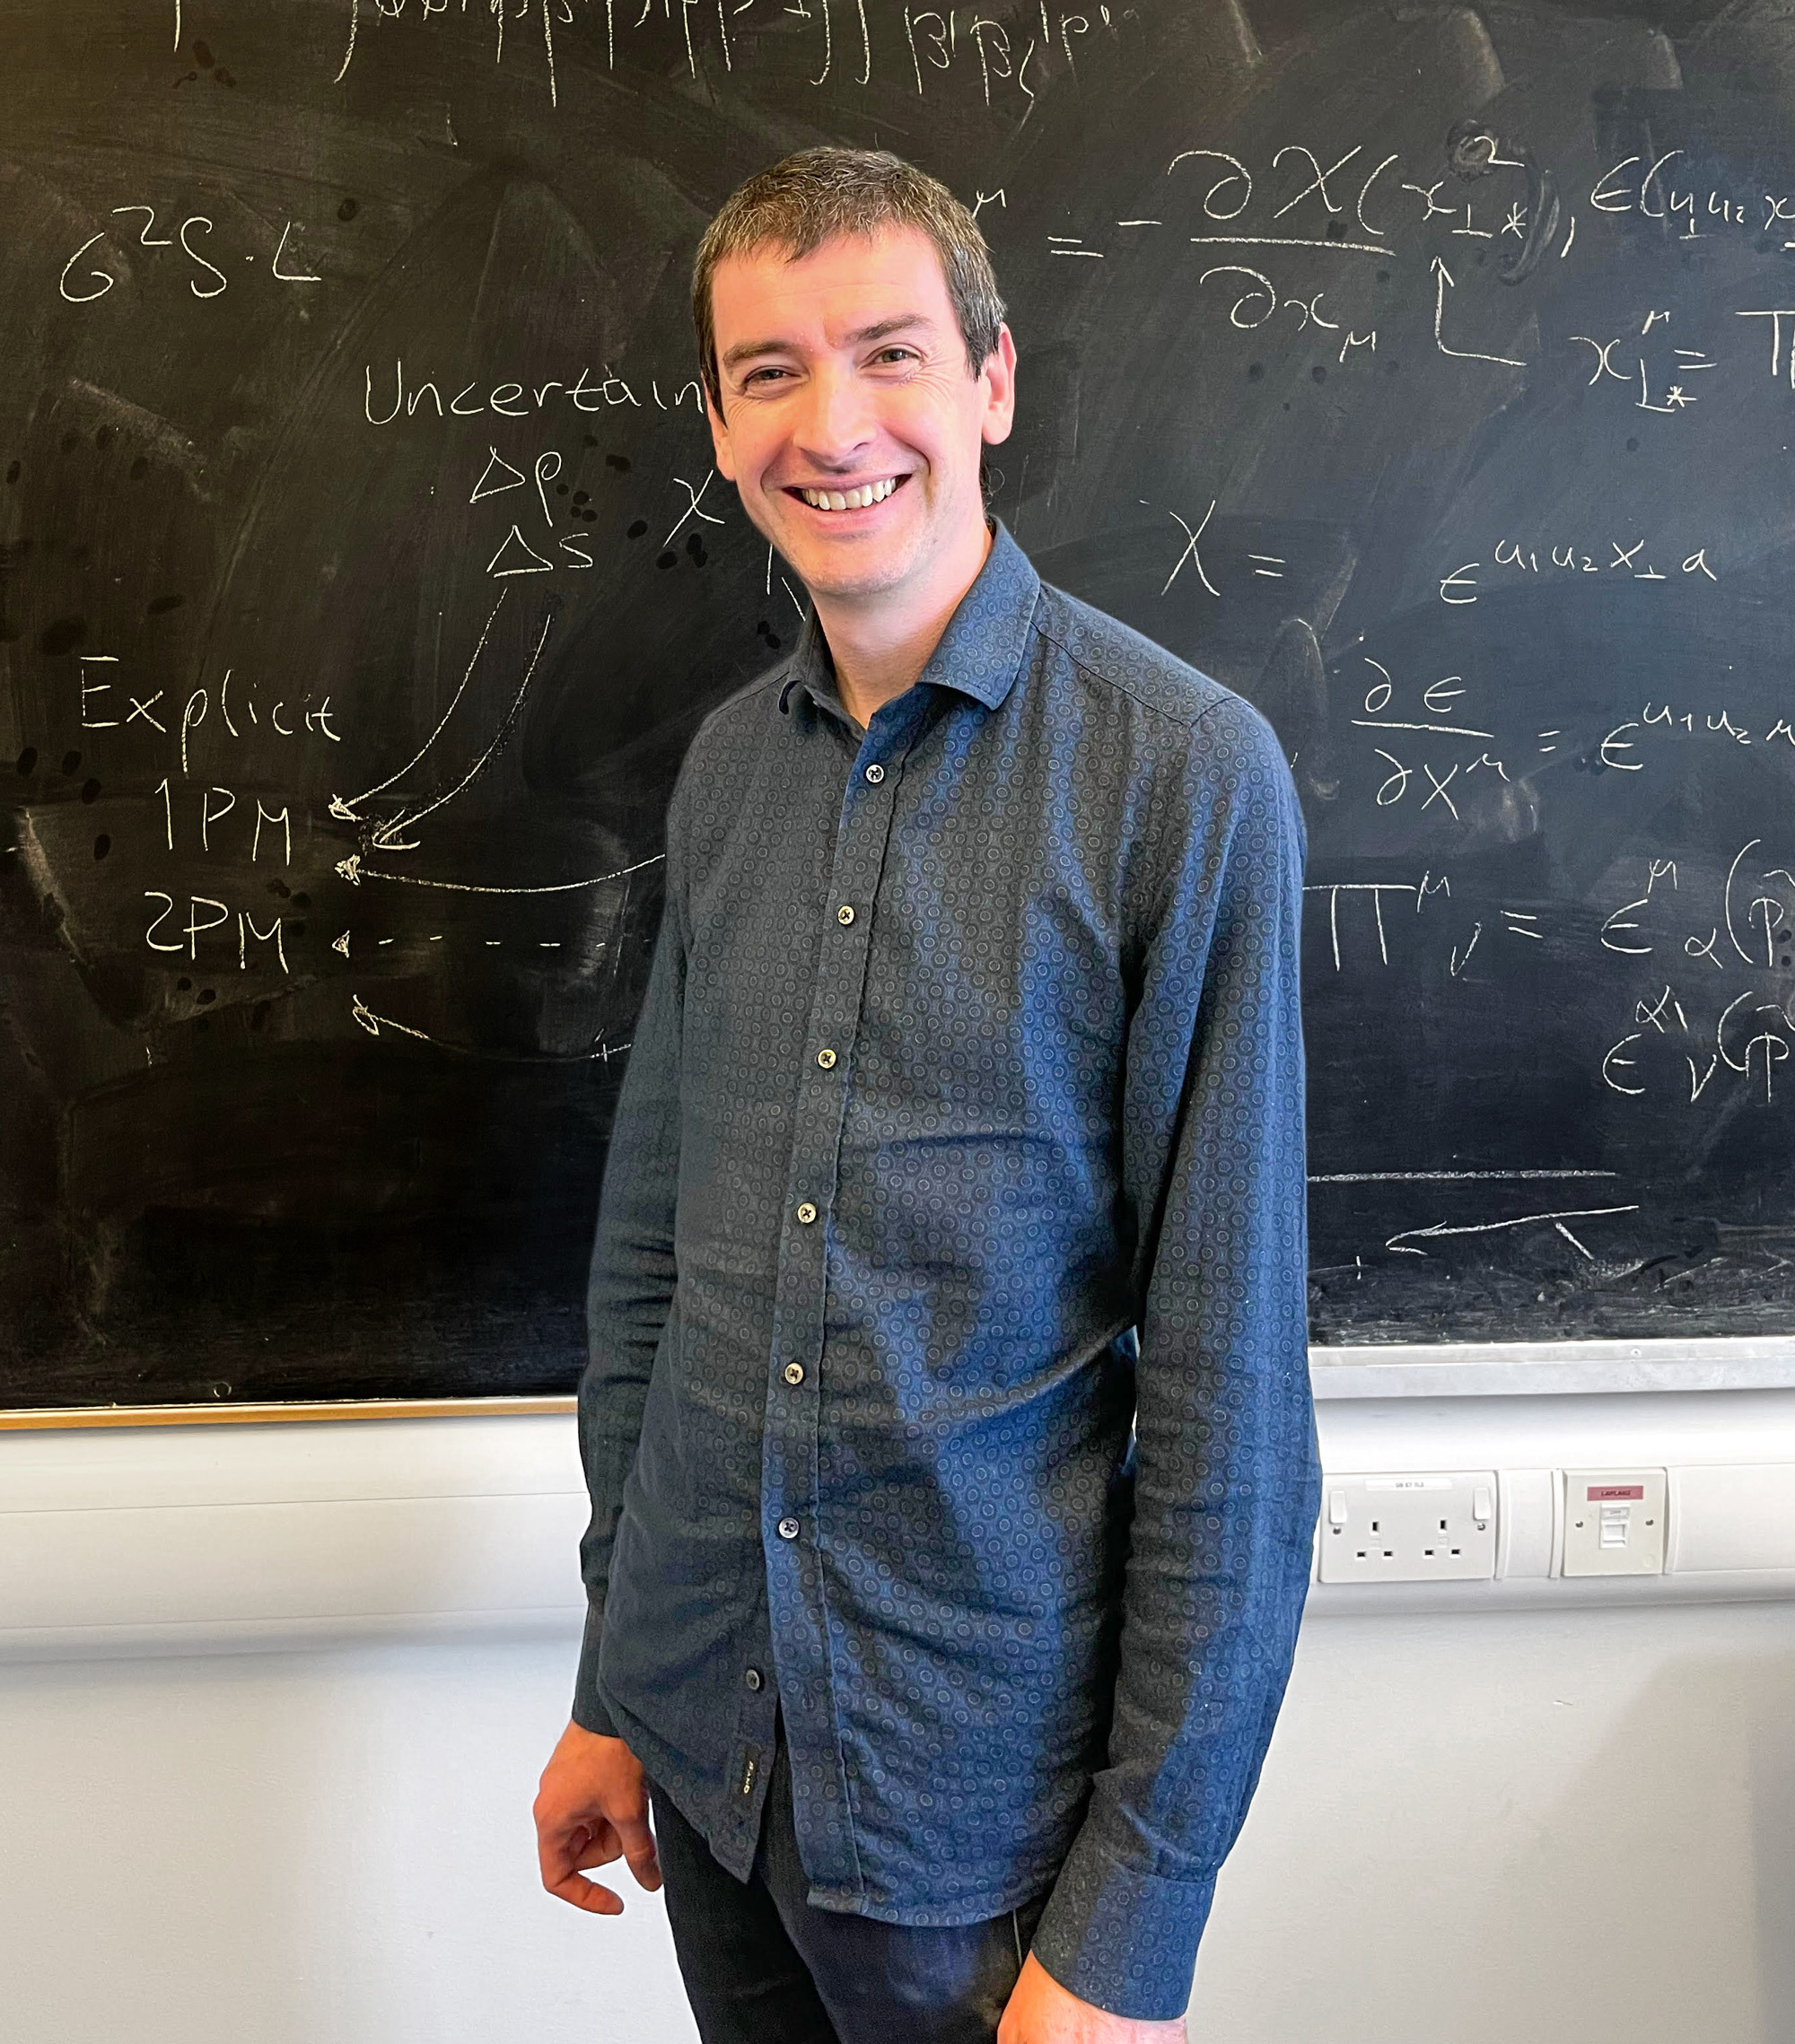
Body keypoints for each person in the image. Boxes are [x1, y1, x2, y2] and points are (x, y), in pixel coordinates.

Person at [534, 146, 1319, 2044]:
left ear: (989, 382)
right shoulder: (726, 777)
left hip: (971, 1818)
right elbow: (658, 1275)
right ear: (721, 426)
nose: (834, 423)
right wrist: (611, 1675)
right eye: (770, 371)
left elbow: (1230, 1396)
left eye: (886, 353)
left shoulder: (1182, 778)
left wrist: (1130, 1925)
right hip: (707, 1759)